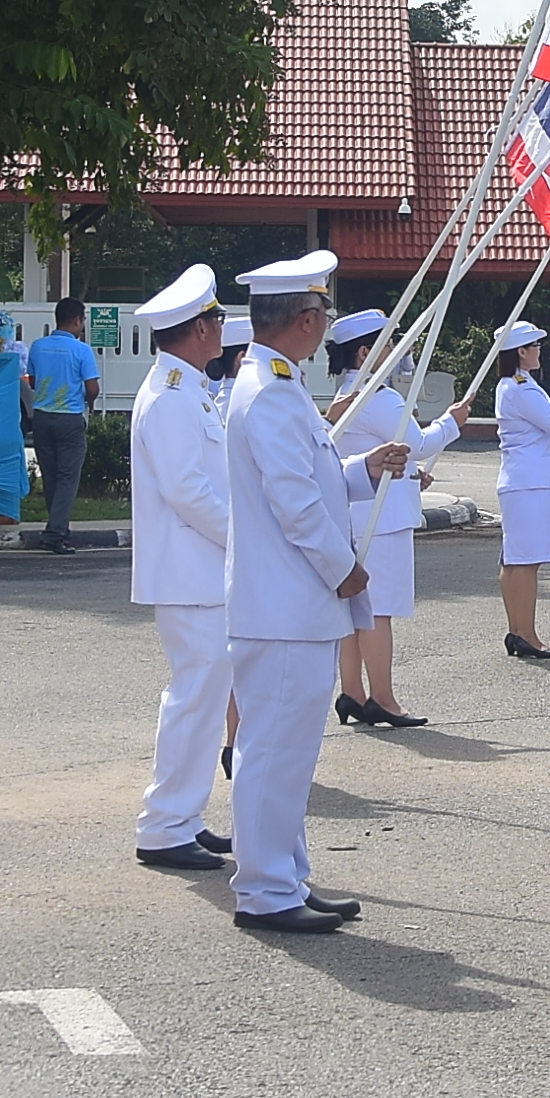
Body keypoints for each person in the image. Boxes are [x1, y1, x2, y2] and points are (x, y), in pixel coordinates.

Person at [218, 253, 397, 932]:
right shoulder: (268, 392)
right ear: (304, 319)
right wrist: (342, 567)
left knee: (288, 756)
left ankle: (285, 876)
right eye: (321, 313)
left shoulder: (277, 384)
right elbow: (293, 504)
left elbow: (311, 477)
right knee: (273, 753)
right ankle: (265, 891)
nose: (325, 326)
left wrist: (361, 470)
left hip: (290, 604)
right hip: (284, 604)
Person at [122, 268, 235, 871]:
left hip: (201, 570)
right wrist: (245, 538)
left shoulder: (187, 387)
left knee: (204, 696)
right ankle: (164, 825)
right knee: (194, 696)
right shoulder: (169, 395)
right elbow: (188, 491)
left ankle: (183, 817)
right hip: (191, 573)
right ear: (196, 330)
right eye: (215, 319)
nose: (221, 327)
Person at [321, 309, 452, 729]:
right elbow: (414, 442)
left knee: (354, 610)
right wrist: (452, 424)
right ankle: (383, 698)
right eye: (388, 344)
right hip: (383, 519)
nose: (396, 352)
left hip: (353, 514)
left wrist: (415, 474)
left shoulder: (350, 395)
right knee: (378, 611)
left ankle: (353, 692)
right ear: (366, 353)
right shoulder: (380, 396)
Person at [484, 318, 550, 658]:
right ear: (521, 351)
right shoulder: (523, 388)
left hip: (521, 481)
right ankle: (527, 634)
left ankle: (517, 631)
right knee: (526, 562)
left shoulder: (510, 385)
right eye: (535, 346)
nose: (539, 352)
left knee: (515, 560)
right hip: (531, 482)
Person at [20, 293, 102, 552]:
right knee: (68, 478)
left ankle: (59, 528)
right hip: (70, 418)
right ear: (77, 320)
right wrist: (89, 403)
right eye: (83, 320)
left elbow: (31, 380)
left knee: (52, 476)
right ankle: (55, 533)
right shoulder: (81, 350)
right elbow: (93, 387)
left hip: (42, 417)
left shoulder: (37, 346)